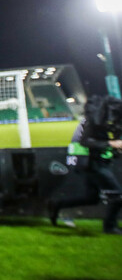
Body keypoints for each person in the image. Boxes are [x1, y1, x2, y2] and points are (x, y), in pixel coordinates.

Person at [49, 95, 122, 234]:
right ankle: (110, 227)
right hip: (89, 162)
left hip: (96, 161)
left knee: (91, 198)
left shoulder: (104, 121)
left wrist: (114, 148)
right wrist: (111, 143)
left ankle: (56, 204)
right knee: (117, 195)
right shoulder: (92, 122)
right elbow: (85, 141)